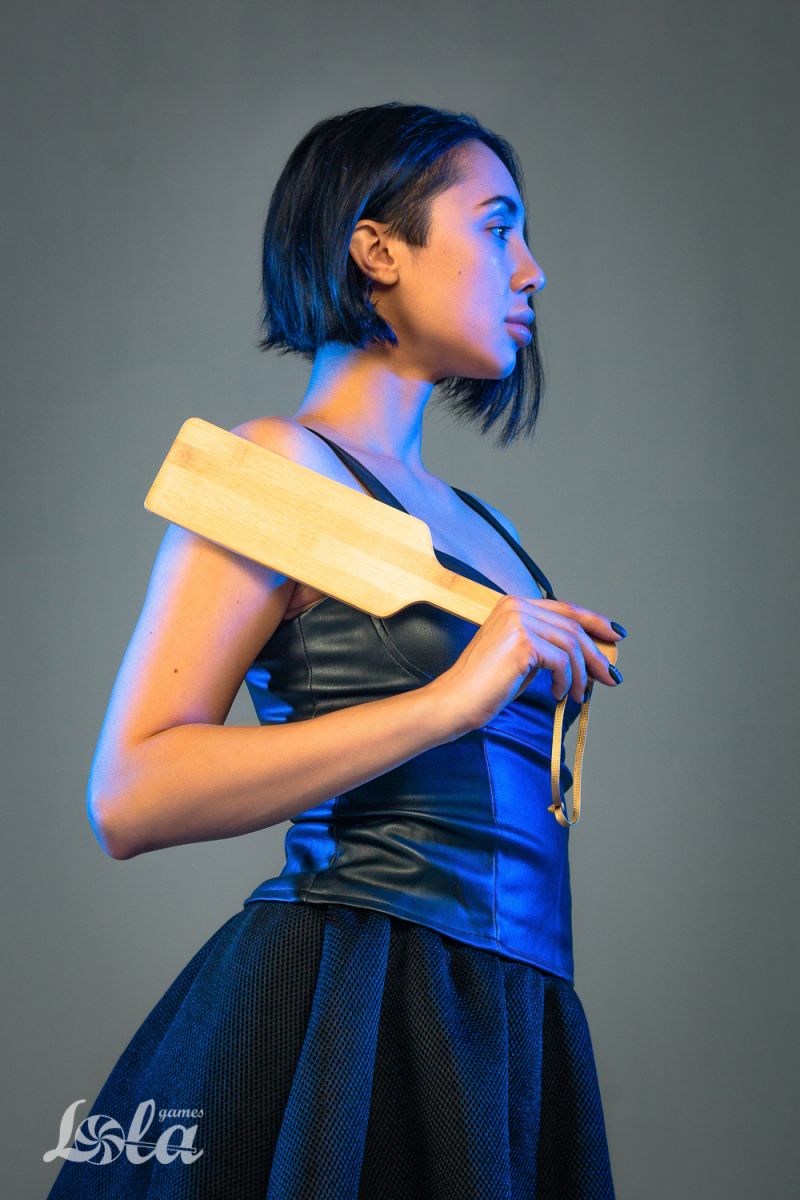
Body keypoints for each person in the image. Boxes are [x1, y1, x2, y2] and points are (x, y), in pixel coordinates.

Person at [47, 102, 625, 1199]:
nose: (532, 270)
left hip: (509, 1013)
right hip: (356, 1002)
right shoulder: (277, 468)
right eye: (497, 227)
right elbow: (131, 792)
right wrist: (452, 699)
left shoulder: (487, 529)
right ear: (377, 250)